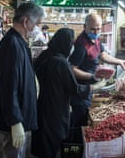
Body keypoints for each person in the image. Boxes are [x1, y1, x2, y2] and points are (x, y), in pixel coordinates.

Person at [31, 28, 105, 158]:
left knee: (43, 141)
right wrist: (96, 86)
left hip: (42, 104)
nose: (72, 47)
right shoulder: (61, 62)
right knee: (53, 141)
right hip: (56, 109)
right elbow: (74, 89)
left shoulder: (45, 55)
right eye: (71, 43)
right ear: (65, 43)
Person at [0, 2, 46, 158]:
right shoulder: (11, 45)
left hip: (20, 118)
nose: (38, 29)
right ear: (25, 21)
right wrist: (15, 121)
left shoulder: (19, 42)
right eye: (37, 24)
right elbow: (7, 87)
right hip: (11, 123)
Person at [68, 13, 125, 127]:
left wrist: (120, 62)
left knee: (84, 116)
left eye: (98, 29)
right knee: (80, 118)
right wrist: (92, 77)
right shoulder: (81, 45)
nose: (96, 32)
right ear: (85, 27)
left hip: (91, 87)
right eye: (93, 29)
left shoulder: (95, 39)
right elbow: (72, 69)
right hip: (81, 91)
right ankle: (76, 141)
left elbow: (103, 55)